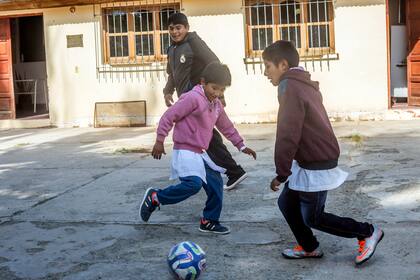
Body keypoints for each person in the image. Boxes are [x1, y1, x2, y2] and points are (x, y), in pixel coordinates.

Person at [263, 40, 384, 265]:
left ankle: (367, 232)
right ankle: (309, 247)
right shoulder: (302, 83)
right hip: (311, 157)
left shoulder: (289, 86)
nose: (264, 72)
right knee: (286, 204)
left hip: (316, 159)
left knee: (313, 217)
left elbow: (288, 132)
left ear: (282, 64)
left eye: (267, 66)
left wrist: (282, 172)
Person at [139, 62, 256, 234]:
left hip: (202, 152)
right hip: (186, 150)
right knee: (193, 185)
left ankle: (209, 221)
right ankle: (156, 197)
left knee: (216, 184)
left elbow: (226, 126)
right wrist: (159, 140)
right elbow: (169, 116)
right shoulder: (192, 98)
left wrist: (241, 145)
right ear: (203, 82)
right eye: (214, 88)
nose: (217, 93)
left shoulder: (216, 104)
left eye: (222, 90)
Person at [163, 12, 247, 190]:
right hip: (186, 101)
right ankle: (219, 172)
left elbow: (214, 62)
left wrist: (218, 93)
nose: (175, 32)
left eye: (179, 28)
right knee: (201, 137)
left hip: (200, 98)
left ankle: (234, 172)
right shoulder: (171, 49)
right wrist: (167, 91)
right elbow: (172, 74)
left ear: (186, 28)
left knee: (209, 138)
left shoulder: (194, 42)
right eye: (171, 29)